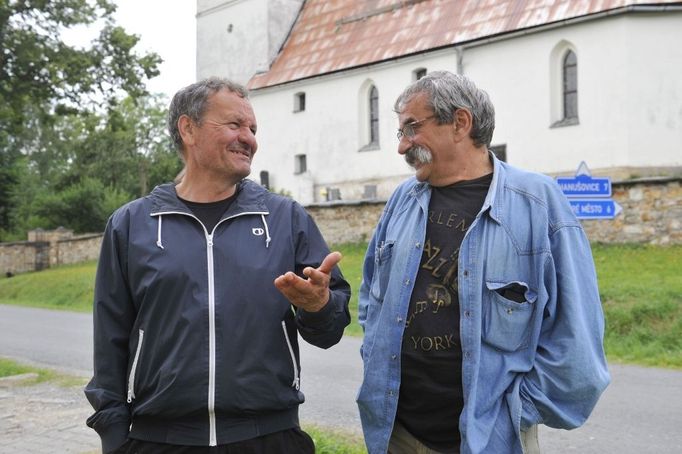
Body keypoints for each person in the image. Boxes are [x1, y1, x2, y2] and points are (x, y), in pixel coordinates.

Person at [85, 77, 351, 453]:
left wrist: (319, 306)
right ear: (188, 129)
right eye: (234, 125)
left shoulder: (284, 218)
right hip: (158, 439)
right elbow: (109, 339)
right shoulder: (132, 224)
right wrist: (114, 435)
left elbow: (331, 330)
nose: (249, 138)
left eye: (253, 129)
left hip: (268, 437)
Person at [356, 71, 609, 454]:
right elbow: (371, 300)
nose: (402, 146)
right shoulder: (402, 200)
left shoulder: (537, 203)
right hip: (397, 433)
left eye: (412, 128)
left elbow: (578, 338)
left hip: (489, 437)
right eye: (400, 133)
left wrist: (514, 413)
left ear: (460, 122)